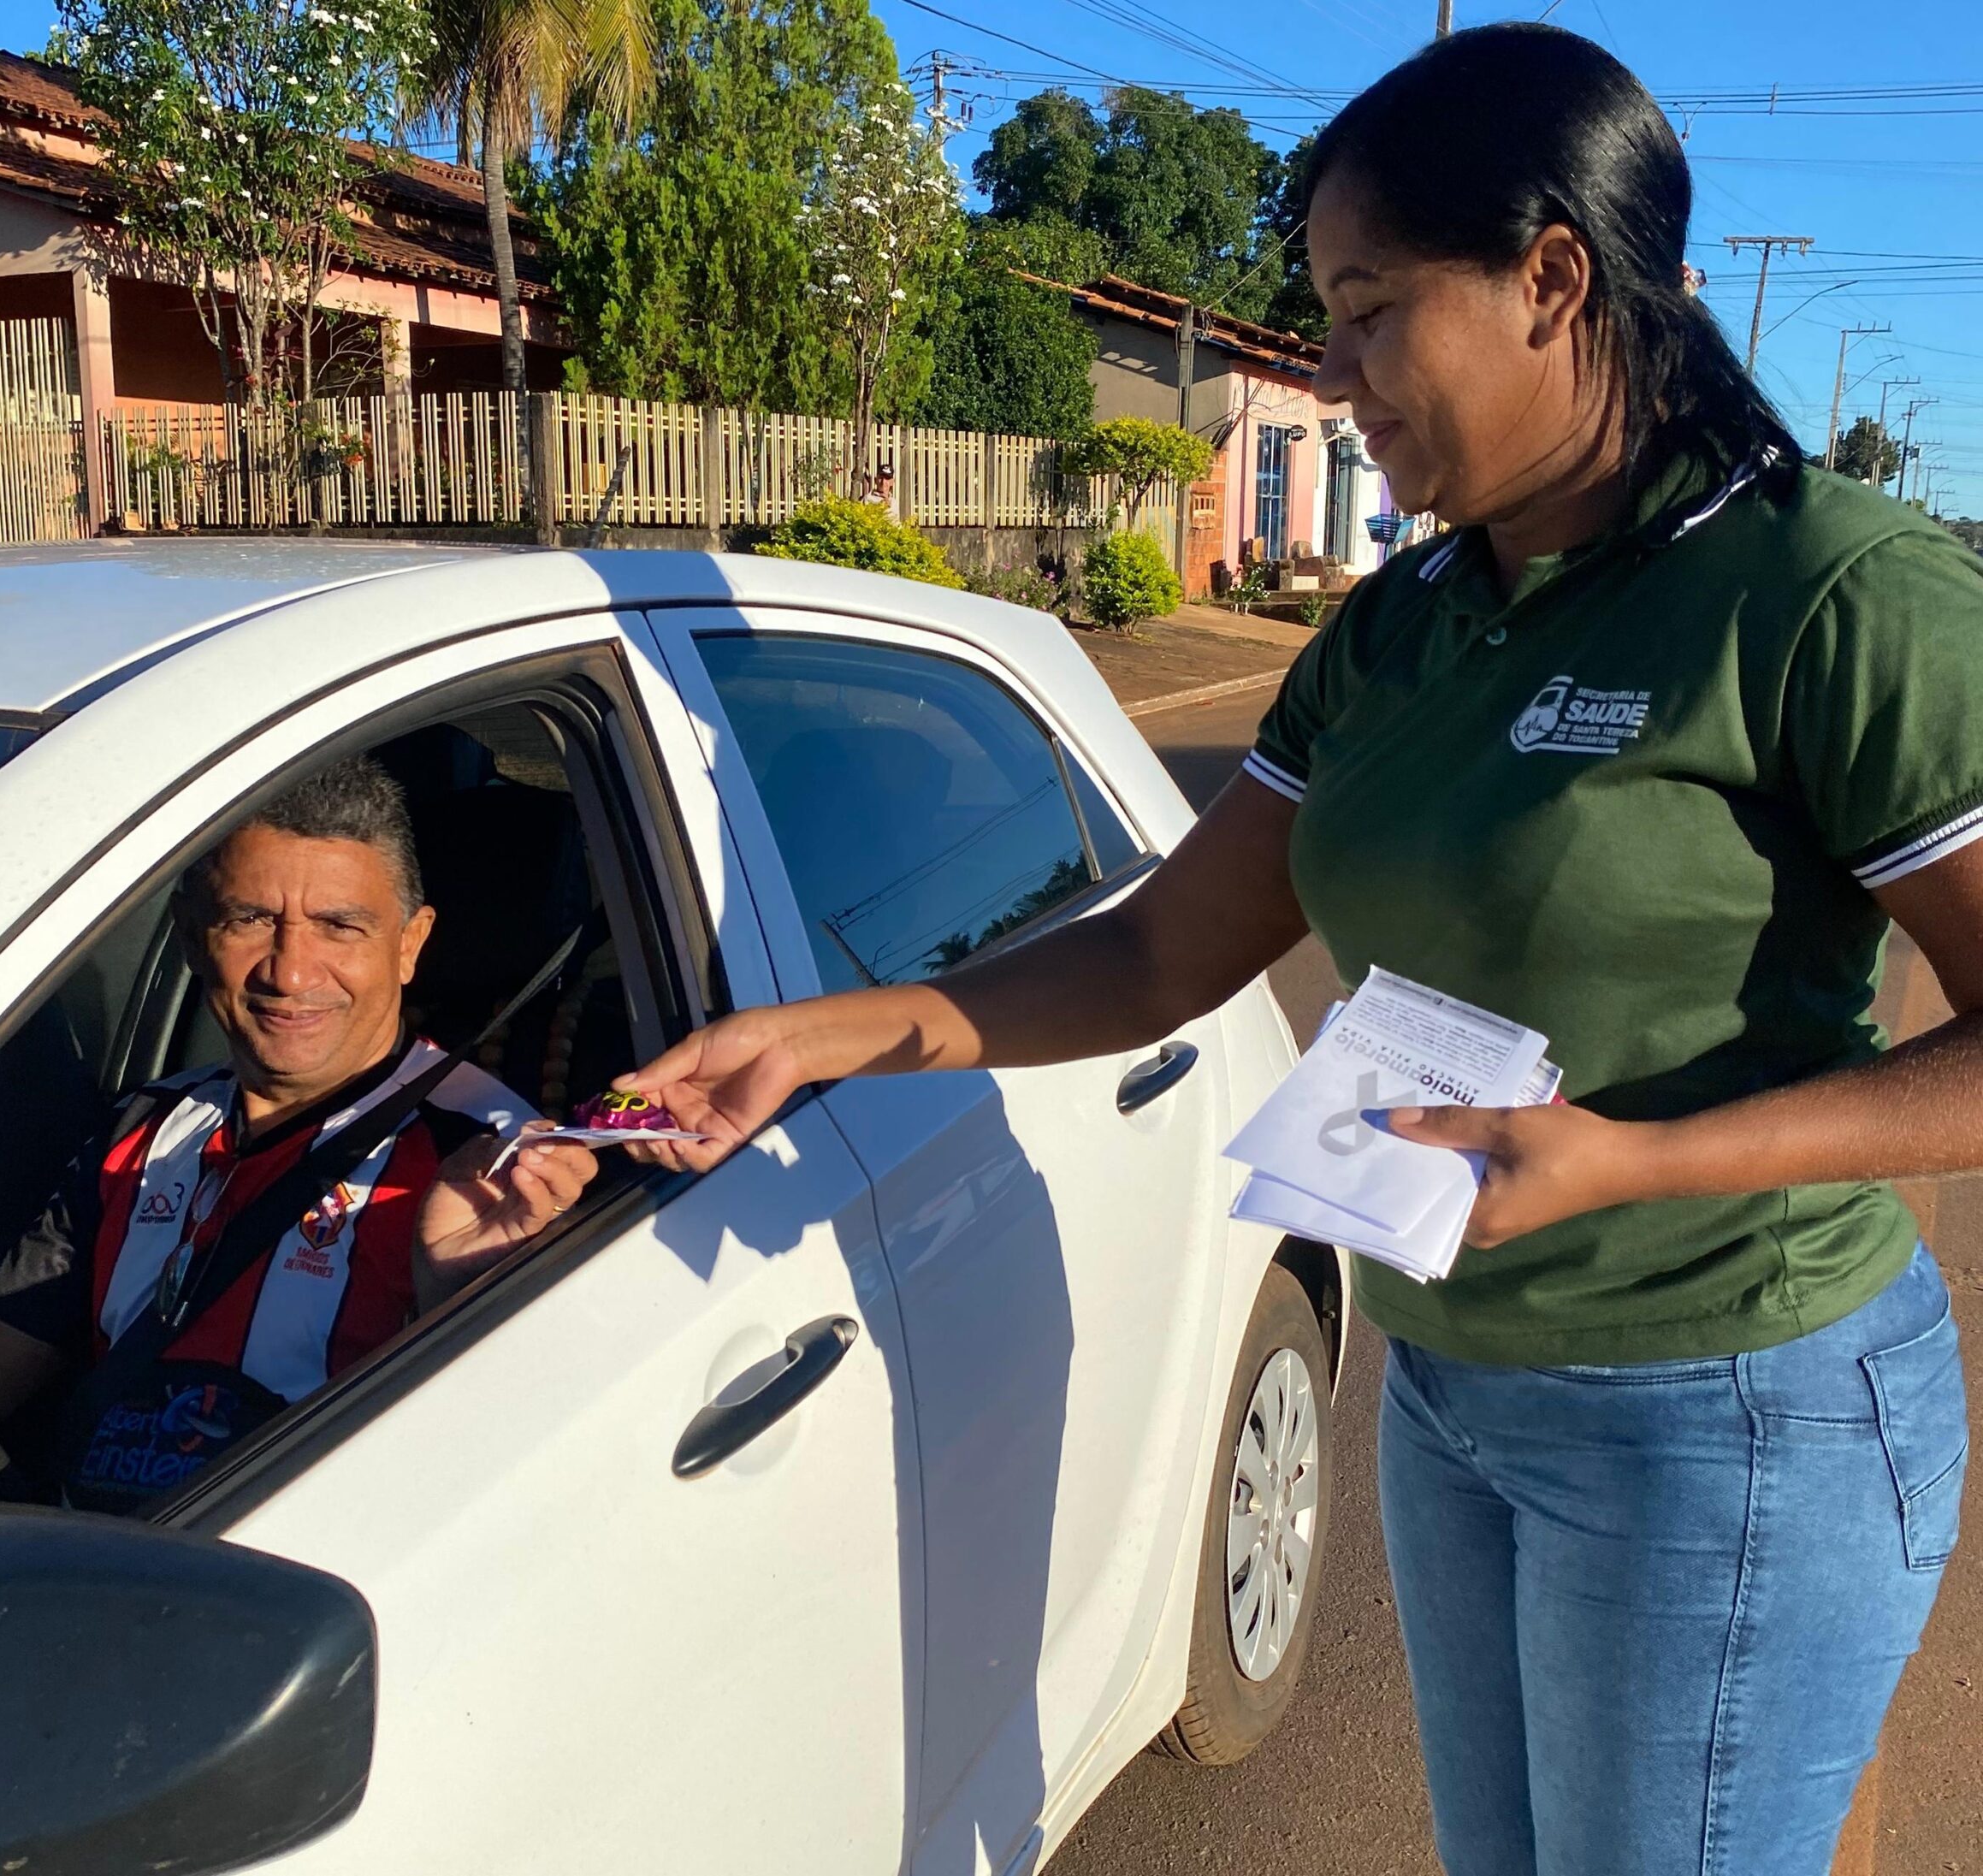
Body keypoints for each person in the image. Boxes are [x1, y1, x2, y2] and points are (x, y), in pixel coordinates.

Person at [616, 26, 1978, 1876]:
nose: (1328, 376)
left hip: (1723, 1407)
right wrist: (828, 1032)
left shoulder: (1825, 595)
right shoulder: (1401, 621)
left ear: (1549, 279)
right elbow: (1161, 952)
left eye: (1365, 310)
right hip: (1451, 1389)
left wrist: (1630, 1158)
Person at [0, 756, 598, 1510]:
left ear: (410, 943)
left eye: (338, 925)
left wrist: (458, 1297)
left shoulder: (491, 1164)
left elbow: (525, 1469)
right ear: (190, 933)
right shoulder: (142, 1128)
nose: (289, 969)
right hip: (78, 1564)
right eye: (251, 918)